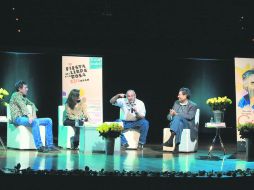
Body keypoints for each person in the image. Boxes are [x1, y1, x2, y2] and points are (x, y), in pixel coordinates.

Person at [9, 80, 60, 153]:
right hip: (17, 118)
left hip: (25, 118)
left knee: (49, 120)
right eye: (25, 87)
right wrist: (29, 115)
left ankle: (50, 145)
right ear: (20, 89)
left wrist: (34, 114)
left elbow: (32, 104)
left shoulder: (24, 98)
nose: (27, 89)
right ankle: (39, 146)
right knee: (35, 122)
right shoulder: (15, 95)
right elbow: (22, 106)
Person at [163, 87, 198, 153]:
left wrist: (176, 114)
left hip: (187, 124)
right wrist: (171, 115)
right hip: (176, 124)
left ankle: (171, 139)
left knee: (177, 117)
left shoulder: (193, 105)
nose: (178, 96)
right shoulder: (176, 103)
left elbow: (190, 117)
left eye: (180, 95)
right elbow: (168, 117)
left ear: (185, 95)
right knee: (179, 123)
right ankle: (177, 146)